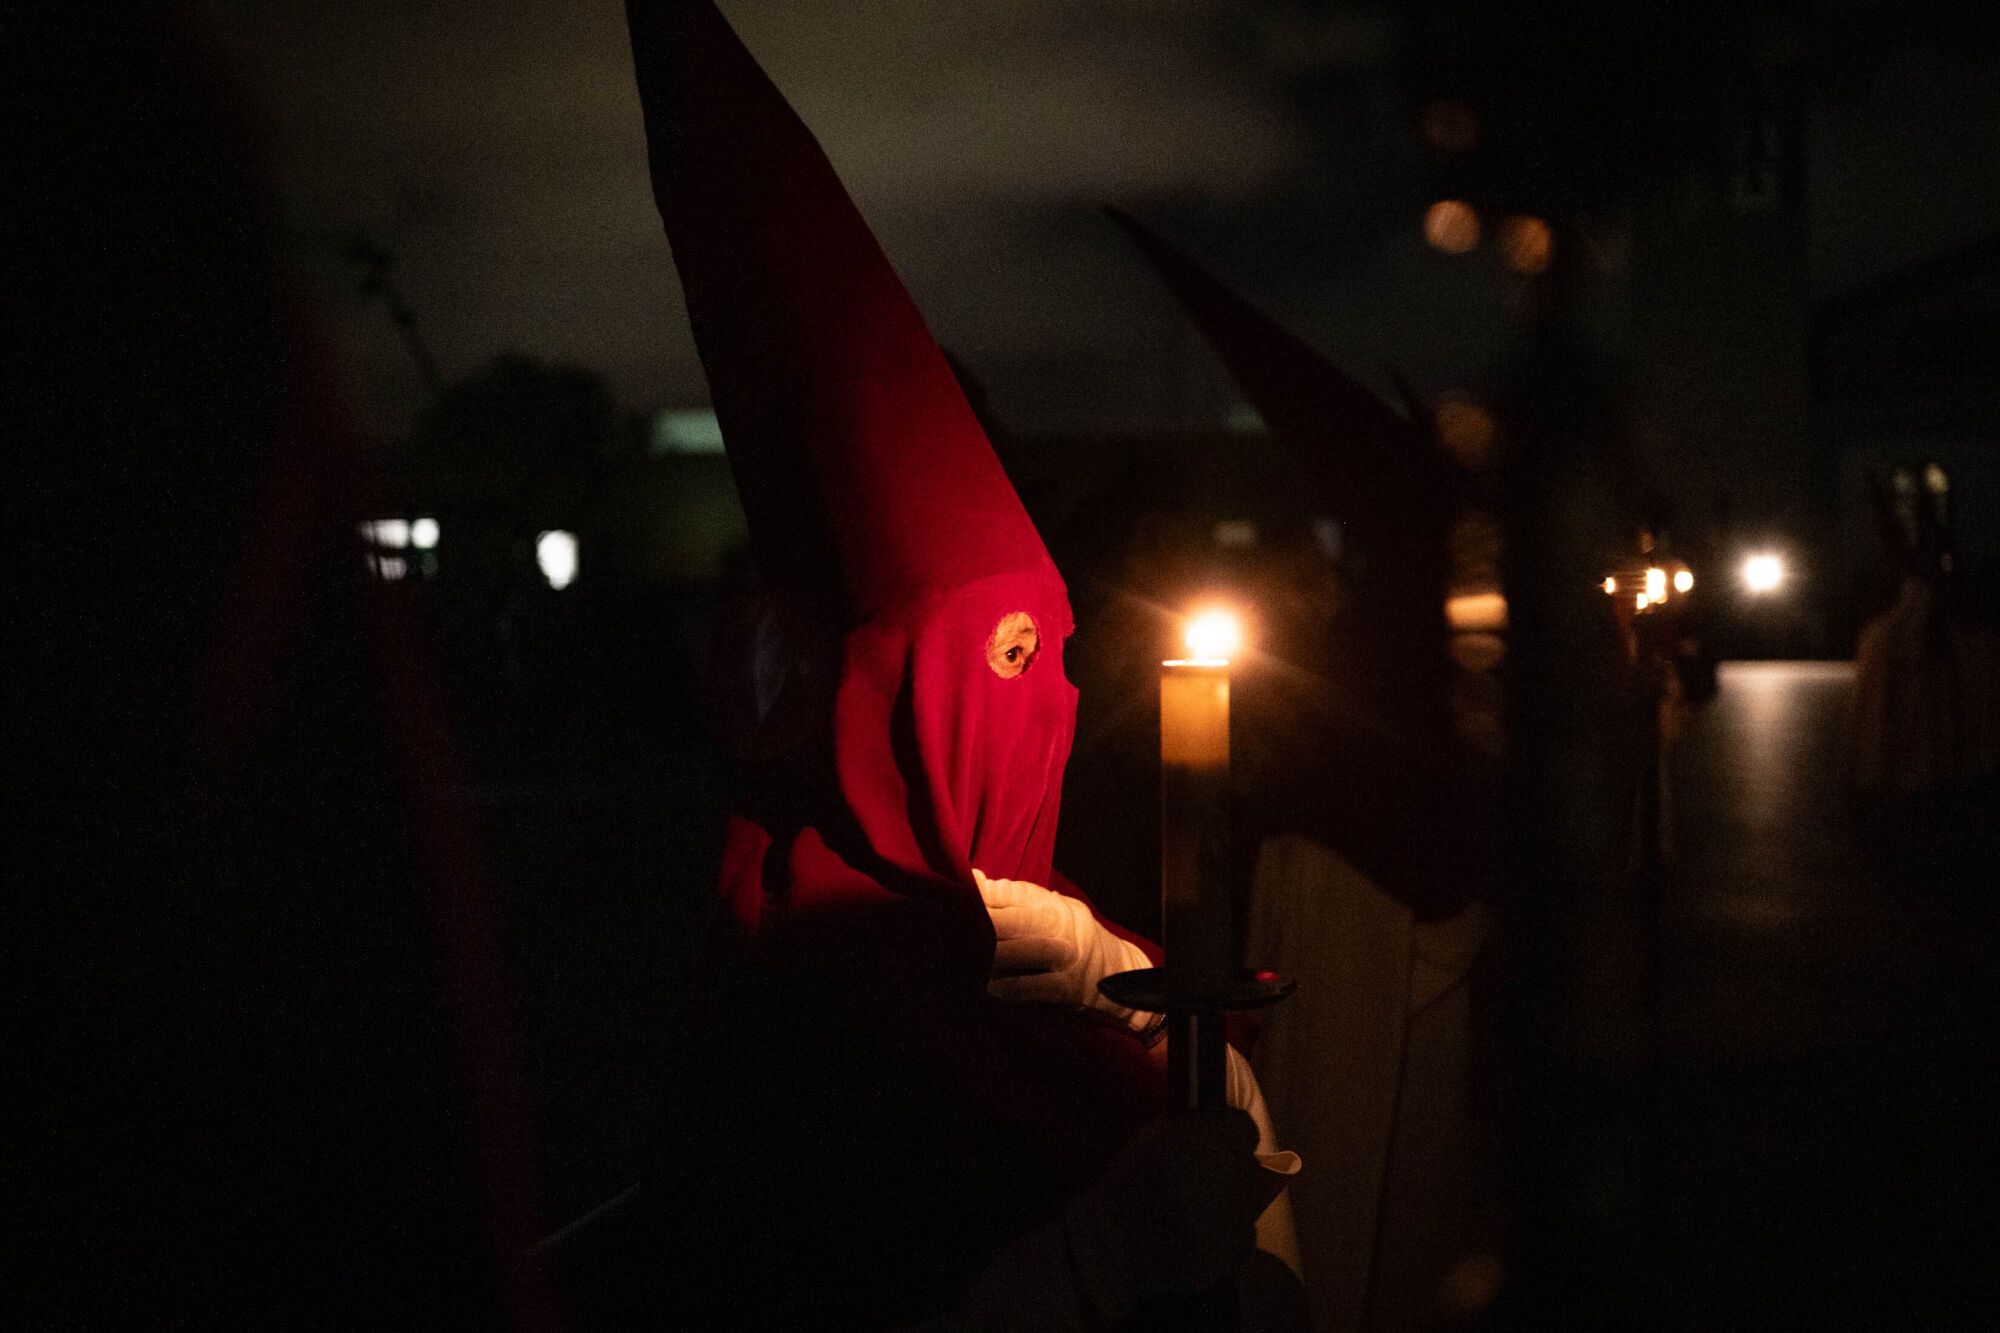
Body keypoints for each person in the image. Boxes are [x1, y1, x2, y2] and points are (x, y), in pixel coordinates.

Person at [592, 4, 1303, 1327]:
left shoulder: (1037, 937)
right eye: (1010, 652)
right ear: (889, 690)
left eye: (1054, 646)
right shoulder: (814, 992)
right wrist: (1101, 1262)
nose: (1049, 696)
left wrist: (1132, 995)